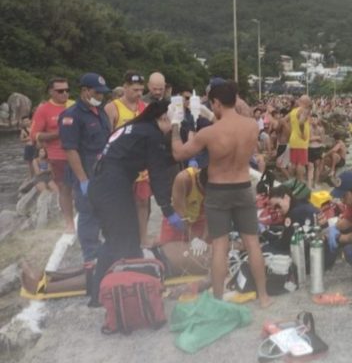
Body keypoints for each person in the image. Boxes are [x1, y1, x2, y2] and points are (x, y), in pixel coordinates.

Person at [170, 78, 272, 308]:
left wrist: (175, 124)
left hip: (218, 190)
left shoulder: (210, 133)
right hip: (244, 186)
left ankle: (217, 299)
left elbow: (179, 154)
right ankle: (264, 297)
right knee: (252, 242)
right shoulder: (252, 126)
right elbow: (235, 123)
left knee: (220, 246)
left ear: (215, 102)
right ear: (234, 100)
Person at [88, 99, 185, 306]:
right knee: (119, 240)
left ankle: (126, 285)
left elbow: (157, 160)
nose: (171, 130)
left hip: (104, 183)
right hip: (111, 187)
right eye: (173, 124)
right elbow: (158, 174)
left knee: (126, 239)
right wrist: (168, 211)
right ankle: (99, 294)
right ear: (163, 118)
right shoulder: (151, 135)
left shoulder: (137, 128)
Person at [20, 240, 212, 297]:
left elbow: (209, 280)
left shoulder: (228, 260)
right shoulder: (225, 243)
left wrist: (181, 290)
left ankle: (44, 288)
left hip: (159, 266)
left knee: (106, 272)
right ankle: (48, 275)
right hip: (154, 252)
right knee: (101, 262)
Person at [59, 73, 112, 264]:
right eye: (97, 93)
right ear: (85, 91)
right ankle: (90, 256)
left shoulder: (101, 112)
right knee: (88, 214)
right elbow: (71, 150)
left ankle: (105, 251)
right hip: (85, 172)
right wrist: (83, 180)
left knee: (104, 211)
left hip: (103, 172)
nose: (100, 96)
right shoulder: (71, 116)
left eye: (102, 93)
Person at [104, 71, 153, 247]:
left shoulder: (145, 107)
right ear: (125, 87)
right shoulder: (112, 108)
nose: (138, 94)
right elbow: (106, 138)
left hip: (141, 165)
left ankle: (143, 239)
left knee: (142, 203)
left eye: (141, 90)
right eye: (134, 90)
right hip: (120, 166)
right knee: (120, 204)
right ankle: (119, 239)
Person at [30, 78, 76, 232]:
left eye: (67, 90)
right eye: (60, 91)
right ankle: (69, 223)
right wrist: (57, 134)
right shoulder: (44, 109)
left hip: (78, 152)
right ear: (51, 91)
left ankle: (85, 216)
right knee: (64, 188)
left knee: (84, 186)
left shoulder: (74, 105)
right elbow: (34, 135)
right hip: (58, 155)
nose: (65, 93)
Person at [159, 166, 207, 245]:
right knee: (168, 250)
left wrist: (203, 240)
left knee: (205, 251)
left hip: (200, 220)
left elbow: (211, 216)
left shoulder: (217, 183)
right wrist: (194, 238)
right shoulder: (184, 179)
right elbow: (180, 216)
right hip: (179, 222)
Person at [287, 95, 311, 182]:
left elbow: (284, 120)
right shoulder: (303, 111)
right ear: (307, 103)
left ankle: (291, 180)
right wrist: (302, 134)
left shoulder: (293, 111)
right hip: (301, 141)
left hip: (293, 139)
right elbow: (301, 122)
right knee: (300, 164)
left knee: (293, 163)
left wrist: (292, 132)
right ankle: (300, 182)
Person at [307, 114, 325, 188]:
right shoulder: (308, 128)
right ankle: (309, 184)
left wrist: (314, 138)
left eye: (315, 119)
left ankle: (315, 183)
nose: (314, 121)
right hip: (310, 148)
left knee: (317, 166)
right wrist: (317, 137)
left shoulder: (321, 129)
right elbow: (308, 139)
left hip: (318, 148)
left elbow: (322, 140)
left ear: (318, 120)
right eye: (312, 119)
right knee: (310, 167)